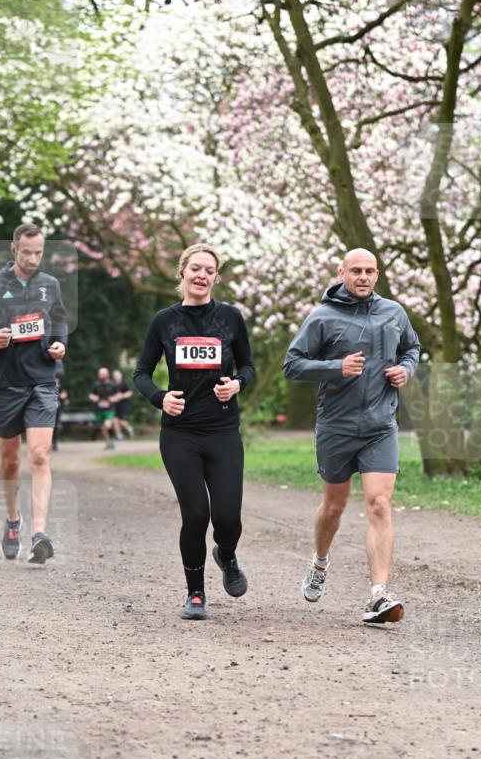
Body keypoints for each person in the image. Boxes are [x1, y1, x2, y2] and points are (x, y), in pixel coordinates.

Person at [283, 248, 420, 625]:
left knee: (379, 505)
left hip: (380, 425)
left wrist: (405, 369)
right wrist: (335, 367)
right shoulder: (323, 317)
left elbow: (412, 347)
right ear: (342, 272)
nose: (363, 276)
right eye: (356, 270)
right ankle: (320, 561)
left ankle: (378, 595)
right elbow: (292, 365)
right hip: (336, 427)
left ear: (377, 275)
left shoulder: (394, 312)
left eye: (370, 271)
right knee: (334, 507)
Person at [134, 242, 254, 620]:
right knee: (196, 515)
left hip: (222, 431)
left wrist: (236, 384)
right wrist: (160, 397)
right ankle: (196, 593)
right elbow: (140, 373)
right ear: (182, 272)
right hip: (180, 434)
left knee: (228, 519)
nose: (201, 275)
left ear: (215, 278)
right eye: (195, 268)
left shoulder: (232, 318)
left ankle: (227, 554)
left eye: (209, 270)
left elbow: (249, 366)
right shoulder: (164, 321)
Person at [0, 223, 68, 563]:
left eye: (39, 252)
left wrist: (60, 343)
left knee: (39, 455)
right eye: (27, 252)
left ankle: (39, 534)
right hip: (5, 383)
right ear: (13, 249)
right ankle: (12, 521)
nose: (33, 259)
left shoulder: (50, 285)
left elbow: (61, 320)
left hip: (42, 381)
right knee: (10, 460)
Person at [89, 367, 118, 449]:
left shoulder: (112, 385)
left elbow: (118, 395)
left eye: (103, 374)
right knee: (103, 428)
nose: (102, 376)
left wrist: (113, 399)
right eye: (100, 374)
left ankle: (112, 438)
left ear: (107, 375)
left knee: (107, 425)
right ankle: (108, 443)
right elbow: (91, 395)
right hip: (99, 410)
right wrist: (94, 398)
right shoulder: (96, 385)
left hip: (109, 409)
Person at [112, 368, 134, 440]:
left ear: (120, 376)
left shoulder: (124, 384)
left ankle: (129, 428)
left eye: (117, 375)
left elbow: (130, 393)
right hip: (115, 406)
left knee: (121, 421)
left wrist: (121, 396)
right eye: (115, 376)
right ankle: (119, 436)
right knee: (115, 420)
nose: (116, 377)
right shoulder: (113, 385)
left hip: (123, 406)